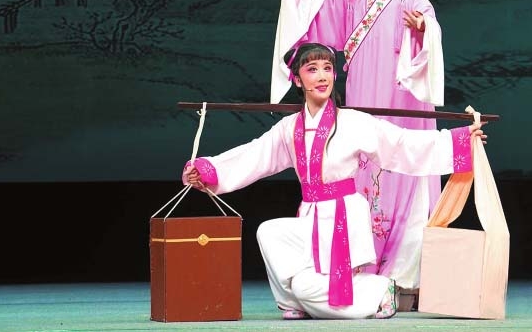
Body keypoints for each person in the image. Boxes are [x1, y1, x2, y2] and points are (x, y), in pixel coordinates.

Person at [185, 43, 485, 320]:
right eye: (312, 69)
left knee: (307, 288)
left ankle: (379, 289)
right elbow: (254, 155)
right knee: (269, 233)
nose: (322, 76)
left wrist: (458, 142)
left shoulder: (353, 122)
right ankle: (296, 301)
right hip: (311, 217)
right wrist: (208, 170)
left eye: (327, 68)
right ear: (298, 80)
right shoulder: (289, 128)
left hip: (343, 216)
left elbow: (400, 144)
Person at [270, 0, 444, 304]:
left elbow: (432, 37)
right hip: (365, 103)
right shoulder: (351, 1)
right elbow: (311, 4)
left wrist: (423, 31)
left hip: (406, 107)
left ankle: (405, 279)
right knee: (365, 180)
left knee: (406, 176)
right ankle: (365, 274)